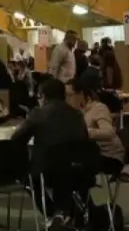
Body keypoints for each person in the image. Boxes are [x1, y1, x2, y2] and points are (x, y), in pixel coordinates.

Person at [10, 78, 89, 215]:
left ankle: (52, 213)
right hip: (76, 168)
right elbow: (84, 139)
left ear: (44, 97)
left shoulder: (37, 113)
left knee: (28, 178)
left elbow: (17, 139)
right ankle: (65, 210)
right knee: (61, 175)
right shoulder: (77, 114)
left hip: (46, 169)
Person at [71, 79, 124, 177]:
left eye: (70, 95)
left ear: (81, 94)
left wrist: (86, 133)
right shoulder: (73, 112)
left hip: (110, 157)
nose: (67, 99)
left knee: (73, 165)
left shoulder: (98, 108)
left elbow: (109, 133)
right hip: (92, 155)